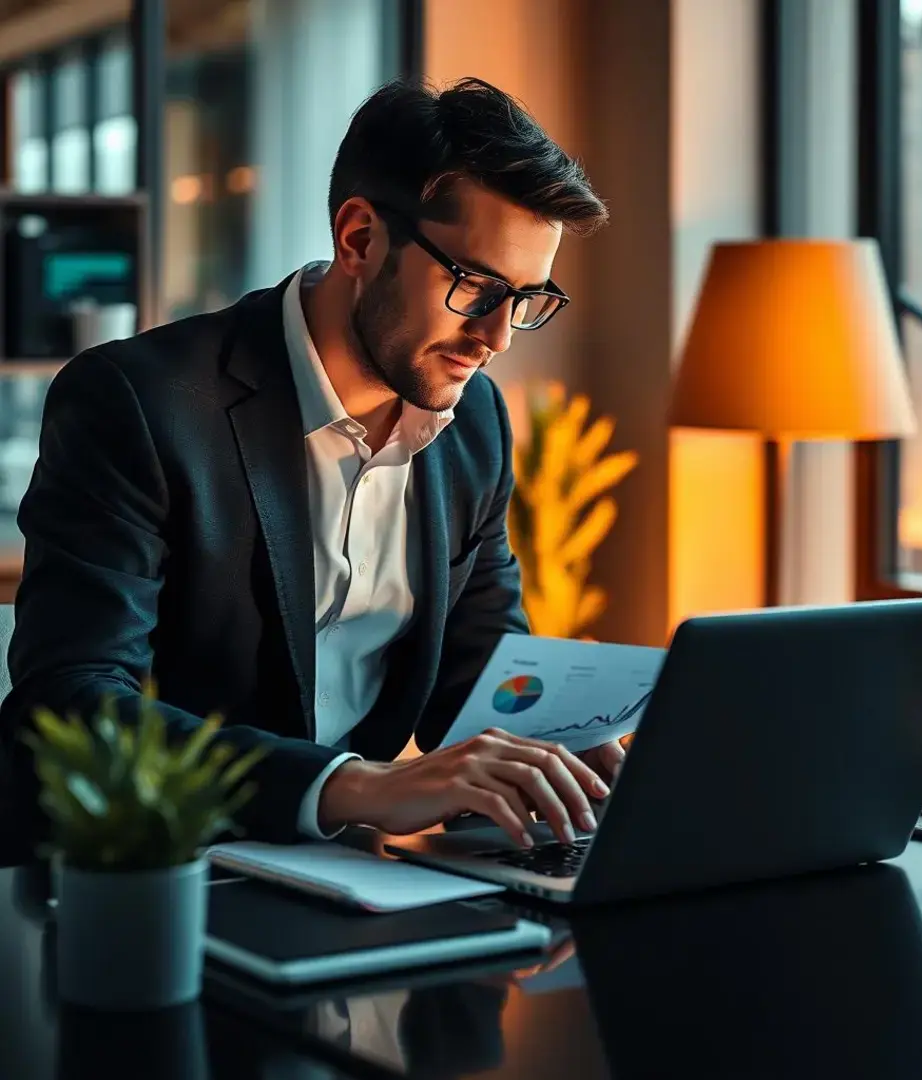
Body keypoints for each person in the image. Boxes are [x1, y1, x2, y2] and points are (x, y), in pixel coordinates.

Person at [0, 76, 621, 849]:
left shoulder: (474, 423)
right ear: (359, 237)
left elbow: (476, 667)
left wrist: (564, 745)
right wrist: (351, 787)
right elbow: (68, 702)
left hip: (367, 880)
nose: (496, 338)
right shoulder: (137, 401)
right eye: (474, 287)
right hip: (161, 874)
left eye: (528, 299)